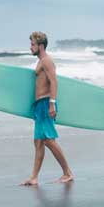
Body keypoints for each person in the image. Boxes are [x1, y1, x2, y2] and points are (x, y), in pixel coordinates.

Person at [20, 31, 75, 186]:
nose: (30, 47)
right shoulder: (40, 61)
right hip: (39, 106)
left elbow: (54, 82)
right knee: (38, 142)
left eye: (32, 44)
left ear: (41, 46)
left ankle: (68, 173)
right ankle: (34, 177)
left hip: (46, 103)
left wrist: (52, 103)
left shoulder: (47, 61)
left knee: (49, 140)